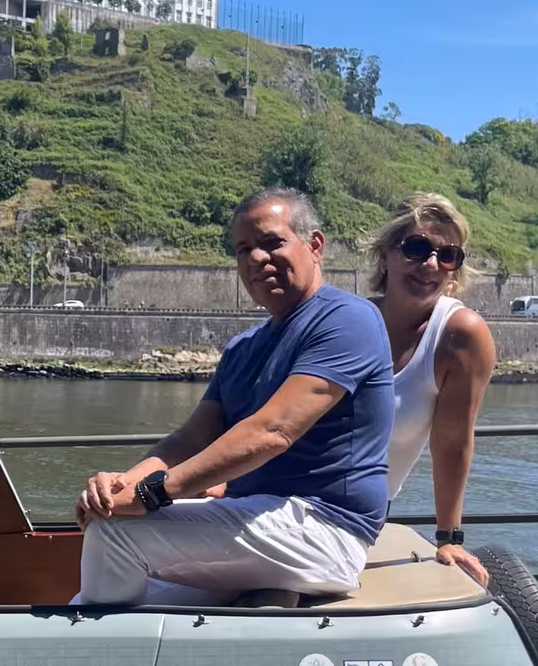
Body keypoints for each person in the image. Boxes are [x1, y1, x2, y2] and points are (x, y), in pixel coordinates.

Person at [73, 187, 394, 605]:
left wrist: (153, 493)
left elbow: (273, 431)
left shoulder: (347, 319)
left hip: (326, 528)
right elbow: (190, 440)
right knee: (90, 590)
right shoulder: (244, 347)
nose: (256, 259)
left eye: (271, 242)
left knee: (115, 535)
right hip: (258, 520)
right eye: (244, 249)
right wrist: (120, 486)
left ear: (315, 245)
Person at [369, 193, 497, 586]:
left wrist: (449, 538)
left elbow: (452, 440)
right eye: (417, 247)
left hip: (352, 511)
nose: (430, 265)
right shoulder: (352, 319)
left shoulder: (460, 335)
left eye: (447, 255)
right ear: (385, 254)